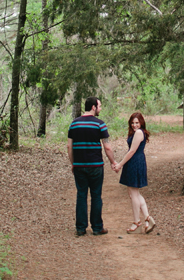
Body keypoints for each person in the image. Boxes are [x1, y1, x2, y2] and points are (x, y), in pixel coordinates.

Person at [67, 96, 117, 236]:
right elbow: (107, 147)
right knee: (96, 195)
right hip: (96, 166)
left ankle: (81, 228)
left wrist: (73, 163)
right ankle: (97, 227)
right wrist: (113, 162)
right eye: (99, 106)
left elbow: (69, 146)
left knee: (81, 195)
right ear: (93, 107)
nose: (100, 109)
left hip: (79, 166)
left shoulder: (74, 124)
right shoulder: (100, 124)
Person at [113, 112, 156, 234]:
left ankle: (137, 221)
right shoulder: (138, 132)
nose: (134, 125)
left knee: (133, 194)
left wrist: (120, 165)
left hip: (135, 163)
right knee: (134, 193)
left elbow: (131, 151)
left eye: (137, 122)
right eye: (132, 123)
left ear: (141, 122)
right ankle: (147, 219)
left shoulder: (138, 133)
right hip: (135, 162)